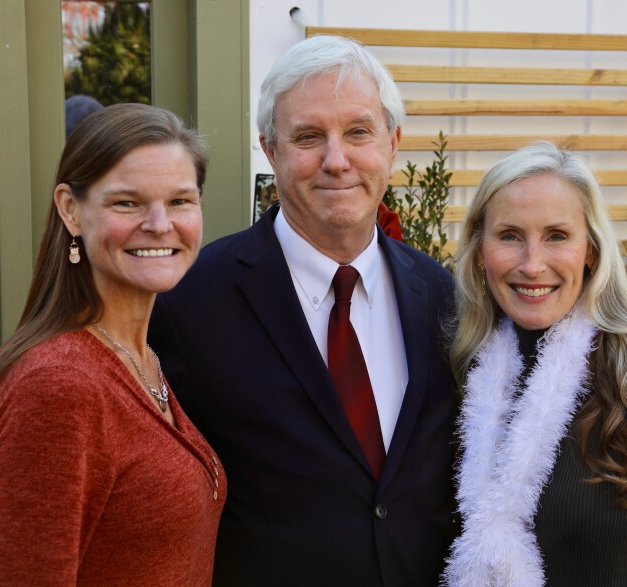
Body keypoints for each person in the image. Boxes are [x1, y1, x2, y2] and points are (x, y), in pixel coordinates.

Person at [149, 35, 459, 586]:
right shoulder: (188, 302)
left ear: (393, 142)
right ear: (270, 150)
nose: (336, 161)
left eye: (358, 132)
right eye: (309, 137)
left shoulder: (444, 298)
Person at [443, 142, 627, 586]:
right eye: (509, 236)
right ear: (480, 251)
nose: (532, 263)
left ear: (592, 250)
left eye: (557, 236)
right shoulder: (460, 374)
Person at [0, 103, 225, 585]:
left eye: (180, 201)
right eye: (126, 202)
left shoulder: (141, 357)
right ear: (71, 210)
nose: (159, 224)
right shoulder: (57, 386)